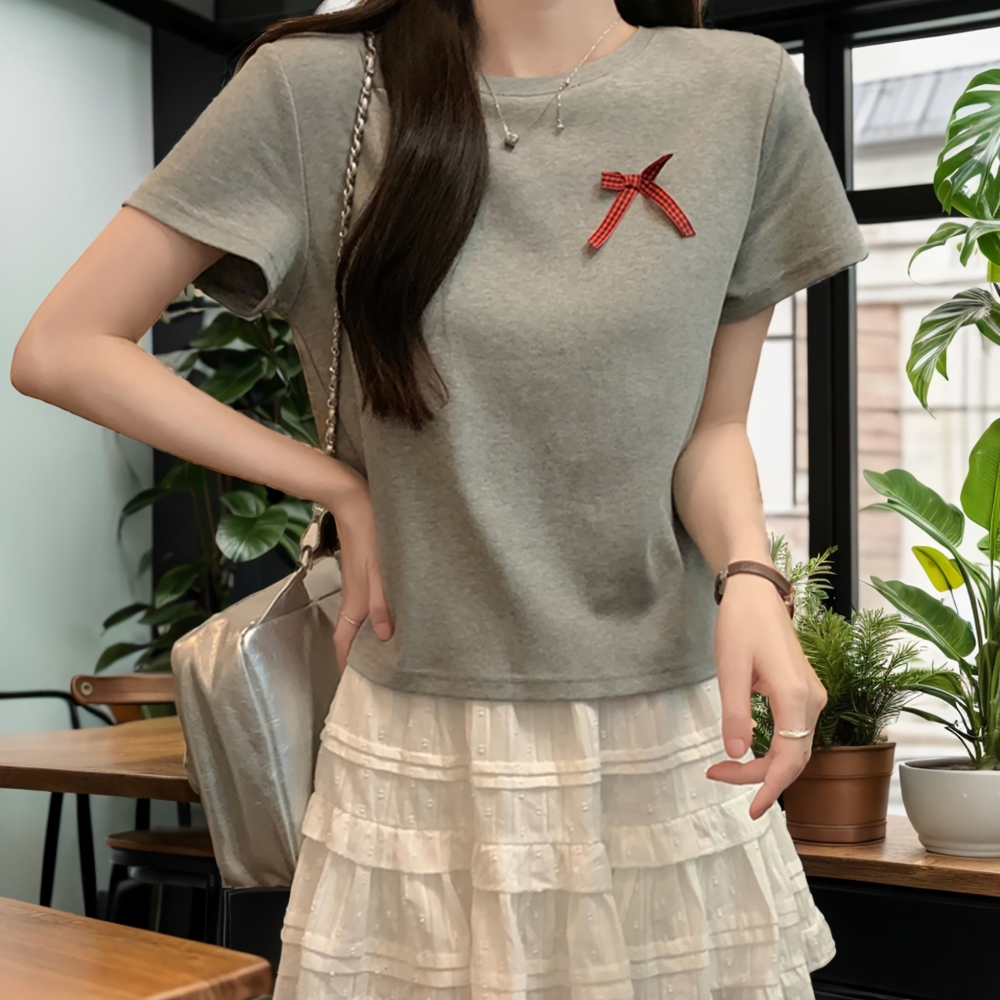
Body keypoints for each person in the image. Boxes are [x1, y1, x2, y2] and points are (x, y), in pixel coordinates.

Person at [11, 0, 868, 996]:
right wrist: (333, 480)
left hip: (664, 741)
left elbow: (711, 430)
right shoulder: (317, 91)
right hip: (421, 745)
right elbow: (63, 346)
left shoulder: (742, 91)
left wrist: (752, 576)